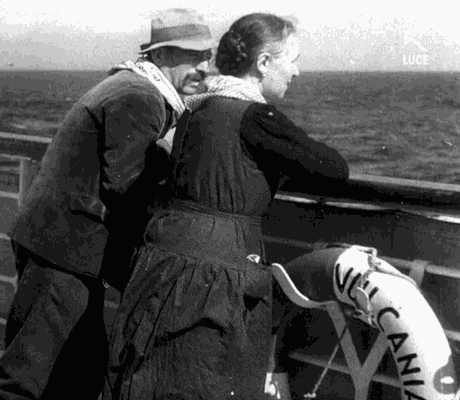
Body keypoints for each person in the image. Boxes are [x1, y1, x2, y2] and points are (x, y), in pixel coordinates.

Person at [104, 12, 349, 400]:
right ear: (263, 62)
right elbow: (334, 170)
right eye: (292, 60)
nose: (296, 72)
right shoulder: (255, 117)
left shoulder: (197, 107)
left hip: (163, 266)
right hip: (216, 279)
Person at [0, 8, 215, 400]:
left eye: (208, 56)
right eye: (194, 56)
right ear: (161, 55)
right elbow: (127, 186)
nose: (205, 66)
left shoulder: (134, 86)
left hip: (66, 249)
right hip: (63, 252)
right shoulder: (140, 96)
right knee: (29, 379)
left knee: (80, 374)